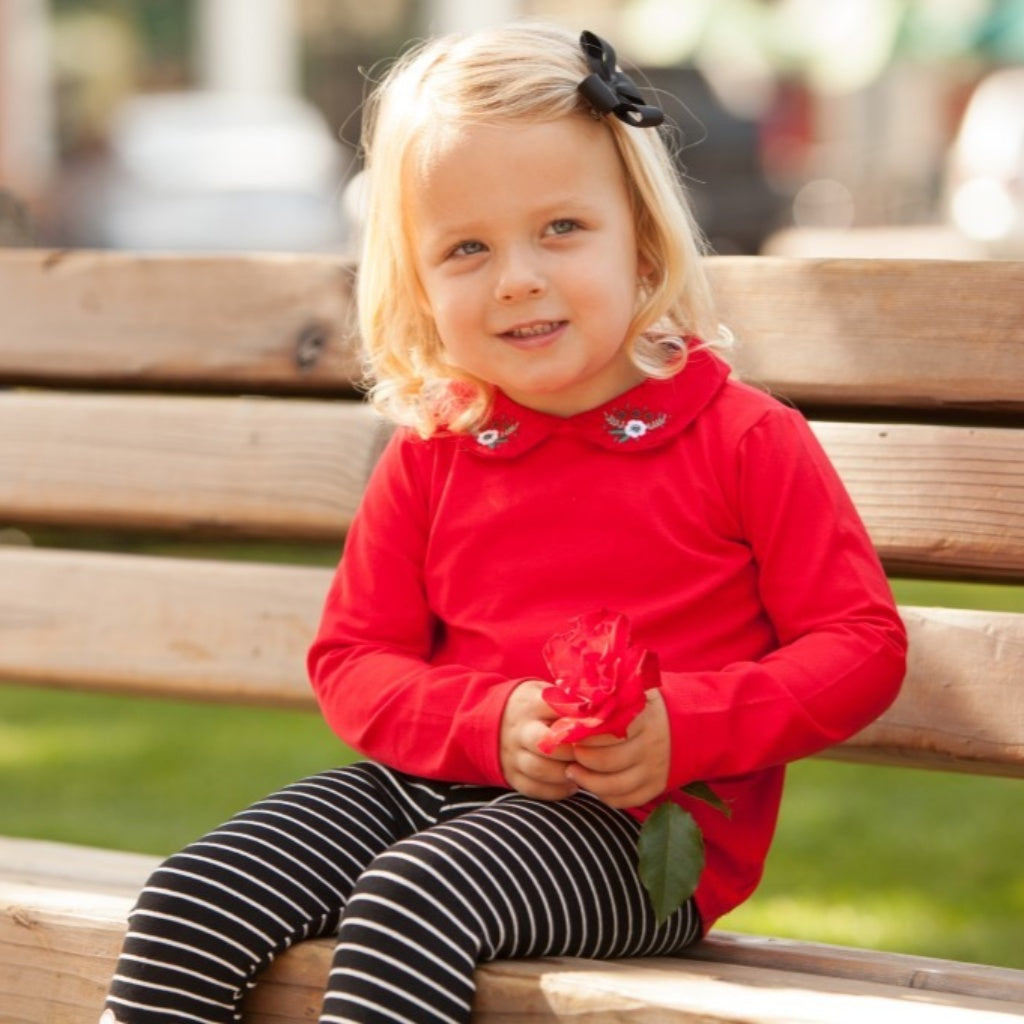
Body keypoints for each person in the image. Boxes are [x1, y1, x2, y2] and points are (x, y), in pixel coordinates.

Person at [101, 21, 907, 1024]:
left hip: (636, 834)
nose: (516, 276)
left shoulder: (741, 439)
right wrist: (484, 723)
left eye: (560, 228)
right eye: (467, 247)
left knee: (412, 897)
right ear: (420, 281)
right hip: (433, 784)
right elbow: (353, 660)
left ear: (642, 237)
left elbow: (860, 645)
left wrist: (683, 726)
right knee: (193, 893)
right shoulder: (439, 449)